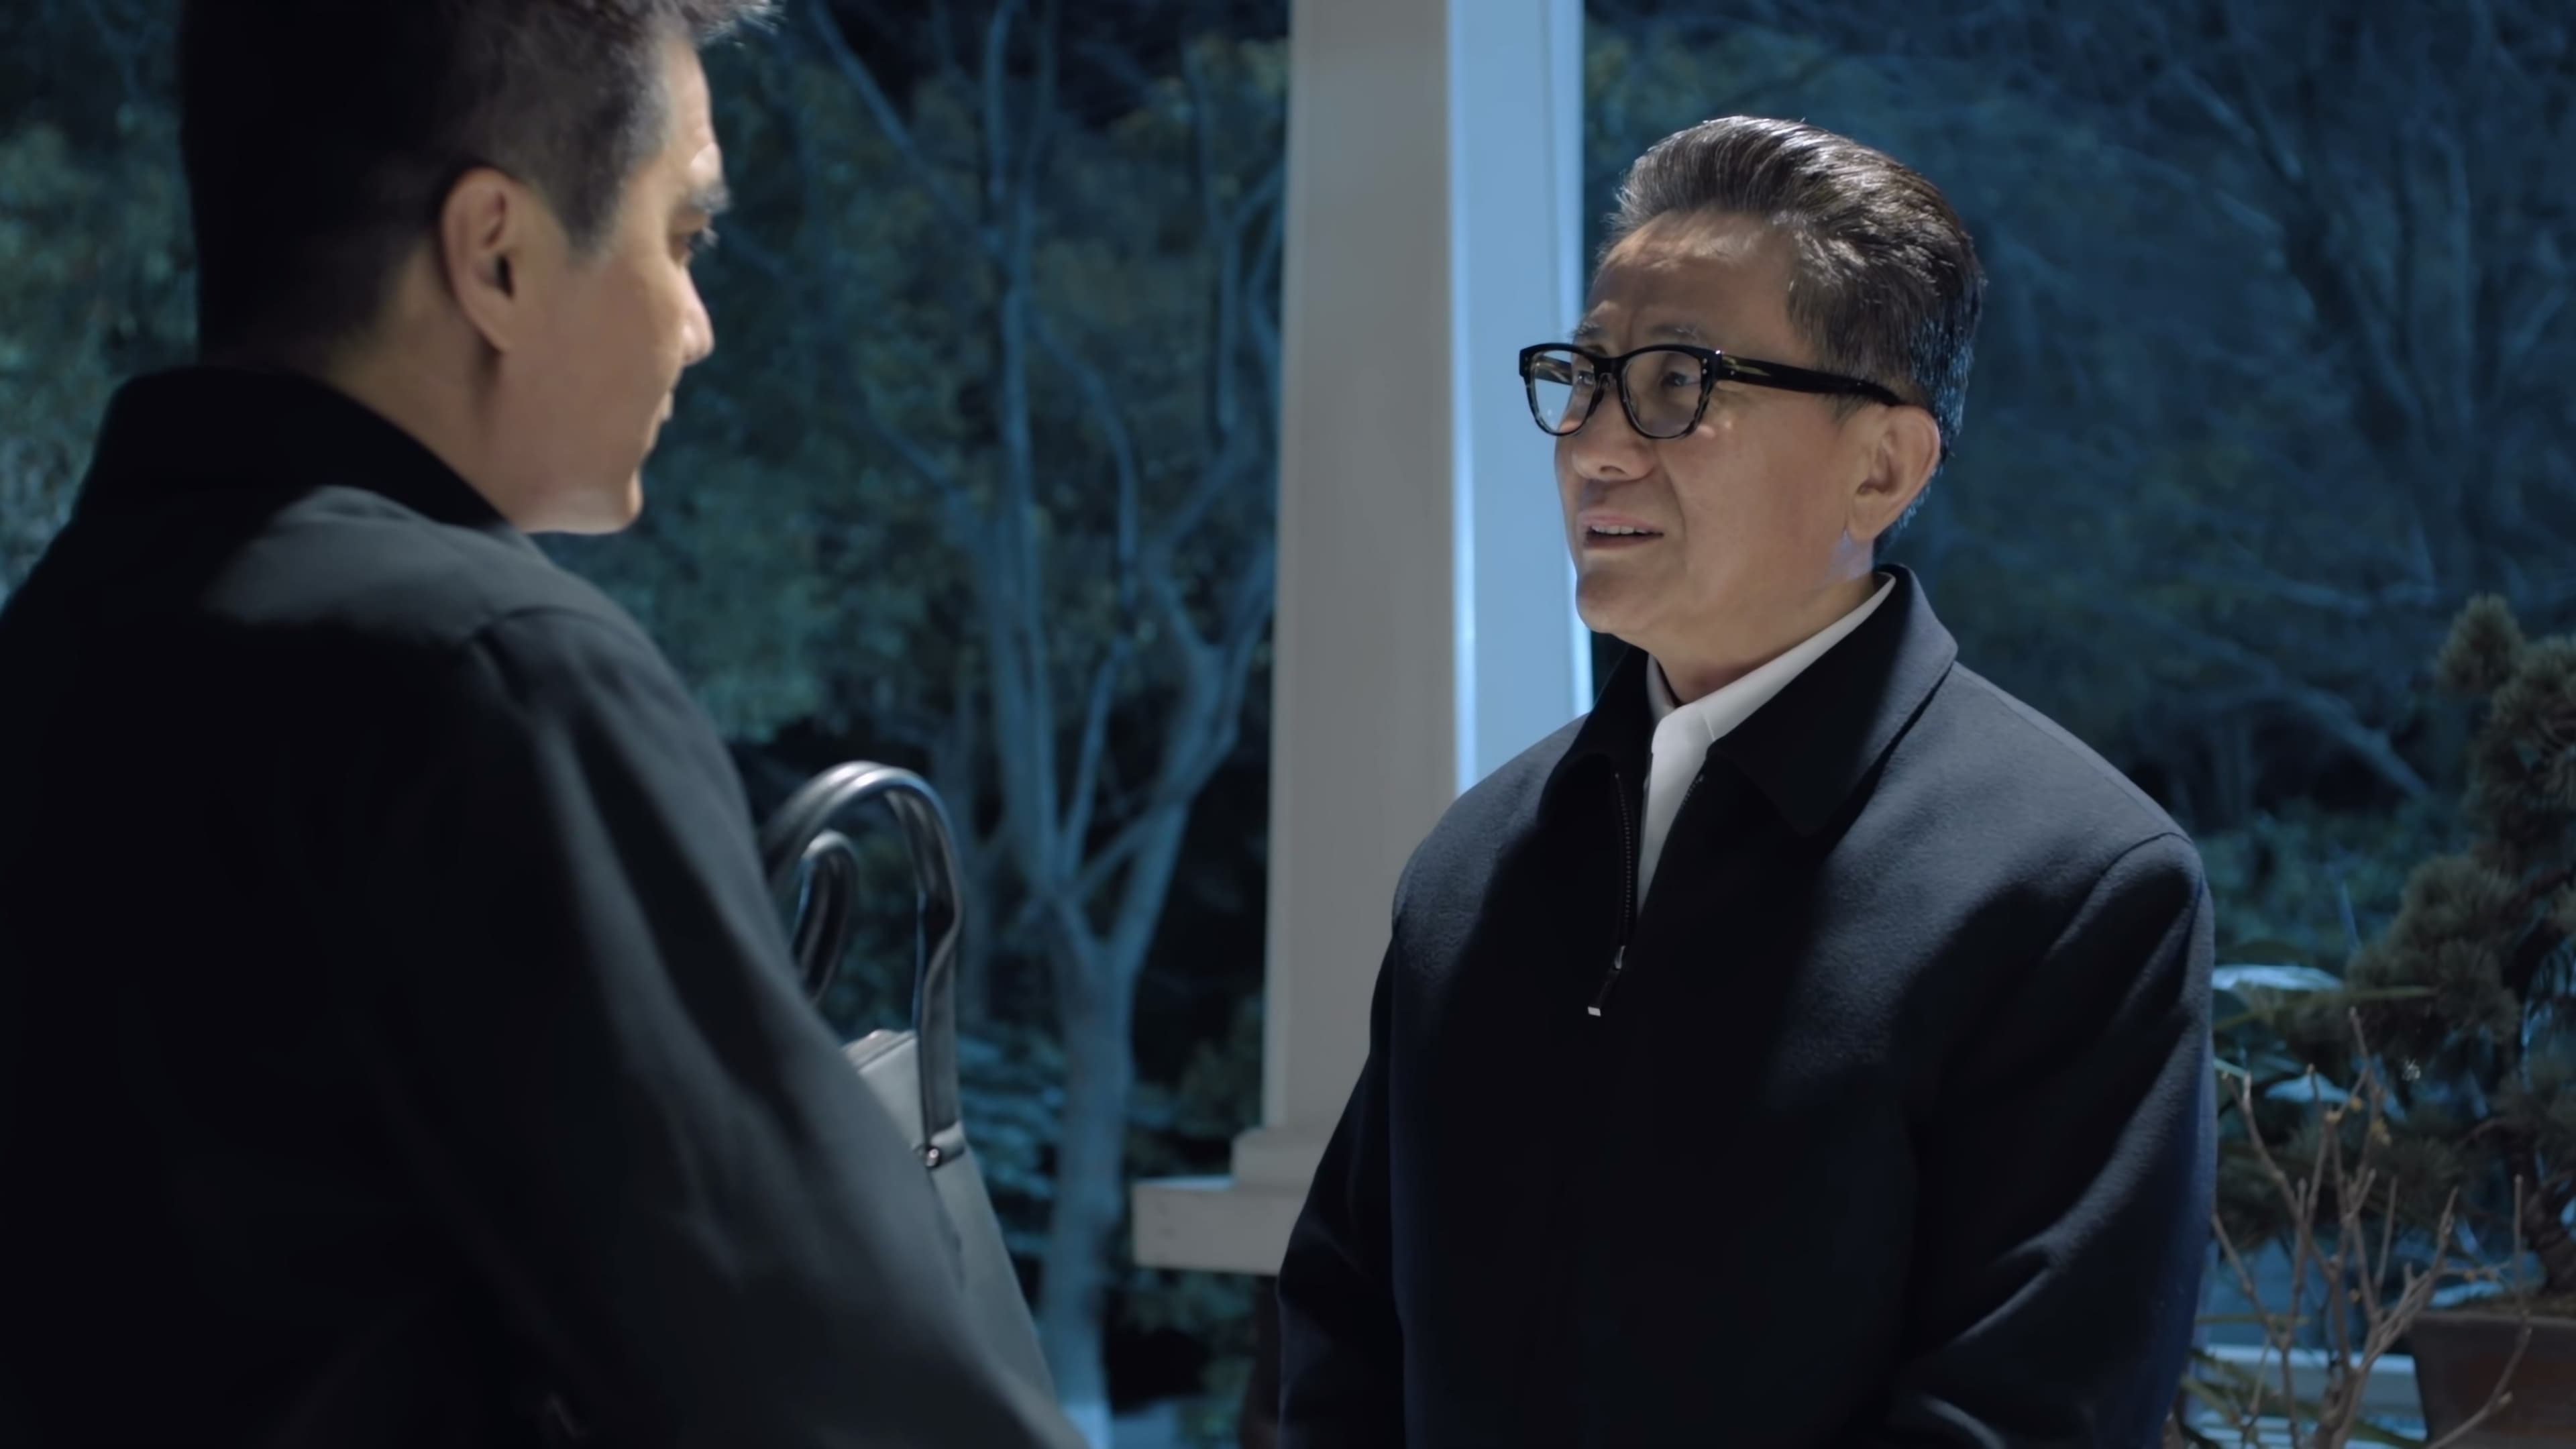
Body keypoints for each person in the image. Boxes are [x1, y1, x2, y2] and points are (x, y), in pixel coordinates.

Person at [0, 4, 1081, 1446]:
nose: (698, 325)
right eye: (683, 239)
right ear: (496, 254)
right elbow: (847, 1401)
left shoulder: (62, 643)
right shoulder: (492, 676)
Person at [1277, 116, 2215, 1448]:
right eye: (1584, 377)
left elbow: (2017, 1418)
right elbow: (1344, 1341)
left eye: (1677, 383)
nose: (1594, 446)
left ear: (1882, 466)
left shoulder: (2076, 888)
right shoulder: (1475, 864)